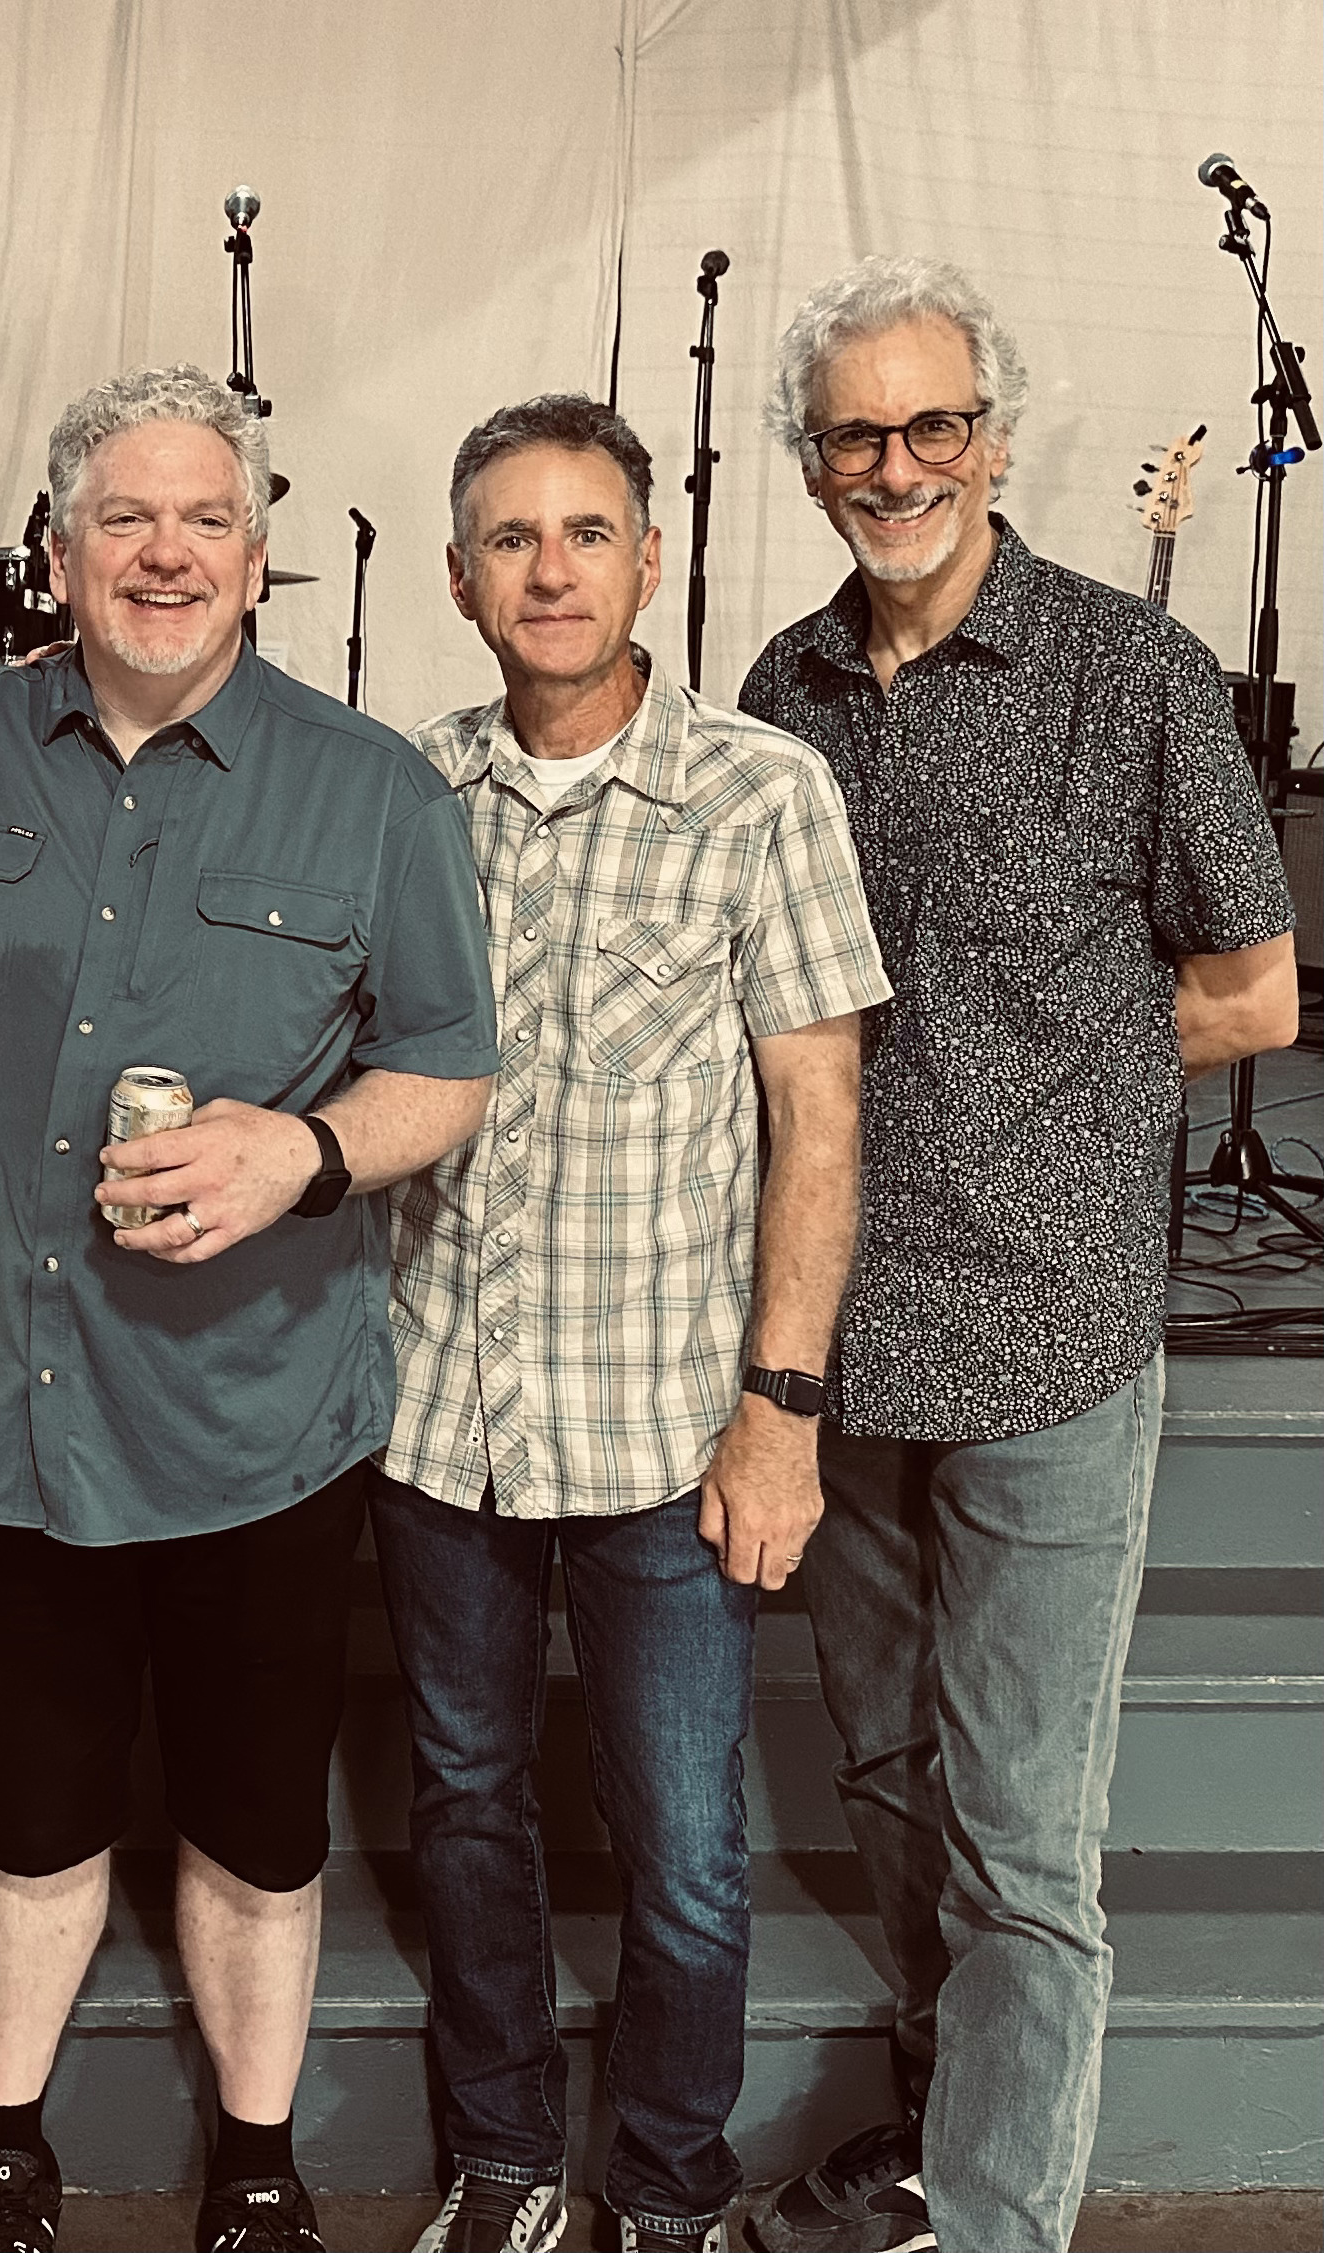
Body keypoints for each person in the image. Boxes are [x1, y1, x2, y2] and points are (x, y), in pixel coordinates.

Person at [0, 365, 500, 2253]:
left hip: (256, 1421)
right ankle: (2, 2152)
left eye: (205, 521)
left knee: (254, 1828)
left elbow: (449, 1065)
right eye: (124, 520)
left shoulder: (374, 790)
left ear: (256, 560)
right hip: (3, 1410)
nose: (165, 555)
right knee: (26, 1819)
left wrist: (301, 1154)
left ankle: (255, 2166)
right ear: (56, 553)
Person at [732, 257, 1297, 2253]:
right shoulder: (782, 689)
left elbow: (1251, 986)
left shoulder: (1130, 671)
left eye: (933, 424)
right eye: (856, 435)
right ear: (812, 461)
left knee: (1024, 1836)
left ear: (993, 436)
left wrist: (1042, 1078)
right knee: (892, 1772)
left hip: (1048, 1325)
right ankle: (935, 2120)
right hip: (836, 1331)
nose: (898, 465)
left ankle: (990, 2224)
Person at [380, 396, 889, 2253]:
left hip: (667, 1430)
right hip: (437, 1415)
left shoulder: (761, 791)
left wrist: (781, 1408)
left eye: (585, 532)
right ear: (458, 580)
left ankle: (665, 2192)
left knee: (681, 1848)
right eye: (510, 540)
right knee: (464, 1805)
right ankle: (505, 2163)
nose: (550, 570)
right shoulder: (406, 792)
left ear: (648, 560)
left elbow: (816, 1117)